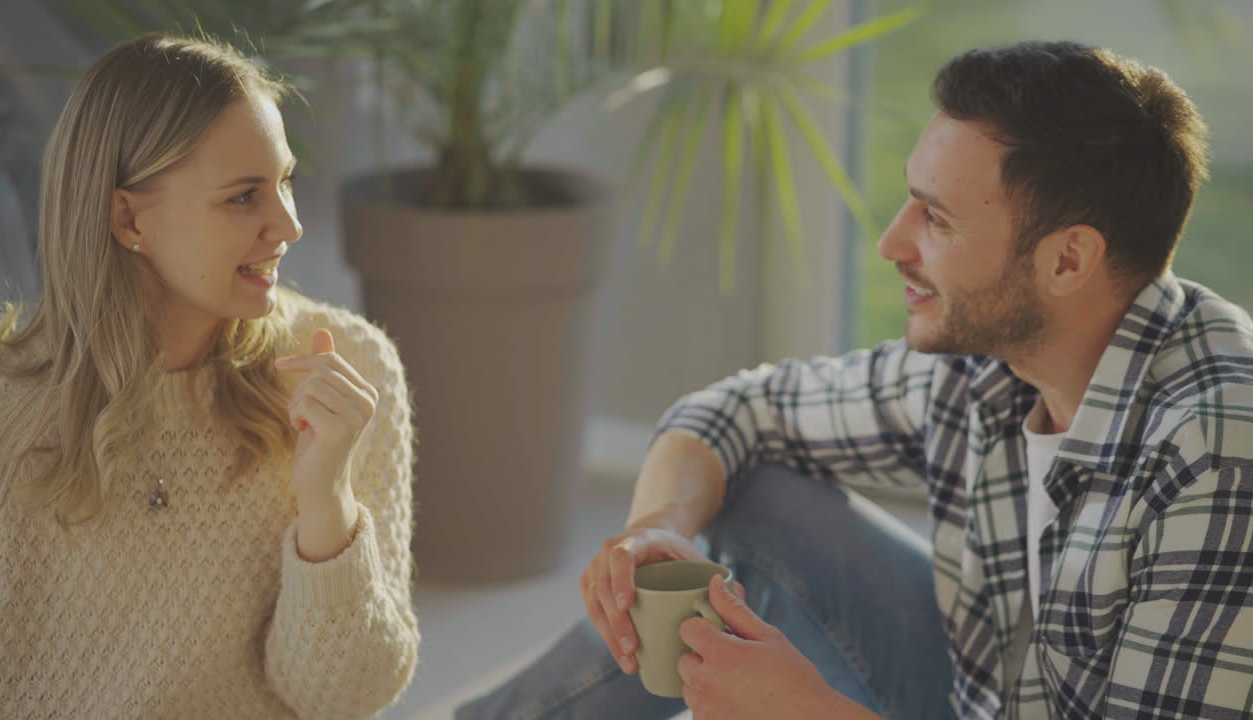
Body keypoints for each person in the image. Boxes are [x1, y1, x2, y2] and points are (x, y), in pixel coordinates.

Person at [459, 40, 1253, 720]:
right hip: (992, 695)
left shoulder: (1217, 446)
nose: (889, 244)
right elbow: (736, 411)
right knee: (755, 492)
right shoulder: (987, 367)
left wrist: (813, 712)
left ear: (1068, 260)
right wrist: (657, 526)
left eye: (935, 220)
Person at [0, 35, 418, 719]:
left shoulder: (347, 372)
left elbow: (346, 698)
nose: (290, 225)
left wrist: (327, 502)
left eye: (286, 182)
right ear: (127, 217)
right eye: (245, 197)